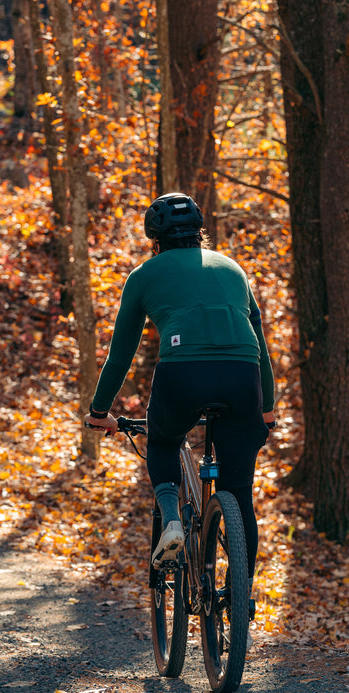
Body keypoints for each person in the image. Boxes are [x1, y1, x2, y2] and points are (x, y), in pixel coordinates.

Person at [83, 193, 275, 606]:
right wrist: (268, 407)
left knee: (165, 440)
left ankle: (171, 517)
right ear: (199, 231)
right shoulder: (233, 268)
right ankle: (241, 595)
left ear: (154, 237)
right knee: (240, 495)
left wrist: (100, 410)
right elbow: (260, 343)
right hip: (243, 376)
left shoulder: (144, 275)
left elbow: (121, 354)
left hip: (182, 374)